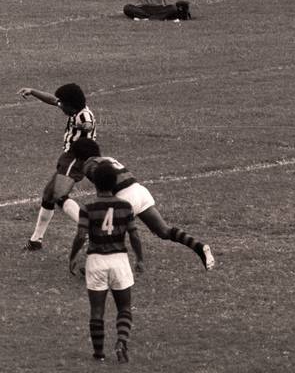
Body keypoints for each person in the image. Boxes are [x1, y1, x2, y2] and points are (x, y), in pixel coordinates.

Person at [65, 138, 216, 272]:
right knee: (164, 231)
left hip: (125, 196)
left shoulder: (89, 165)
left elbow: (104, 186)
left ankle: (96, 265)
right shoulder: (109, 159)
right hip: (140, 191)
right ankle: (199, 247)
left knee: (103, 230)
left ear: (80, 156)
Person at [68, 160, 143, 364]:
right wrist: (140, 258)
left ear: (95, 183)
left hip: (96, 261)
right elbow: (134, 236)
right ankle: (121, 341)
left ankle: (99, 354)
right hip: (119, 260)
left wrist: (73, 256)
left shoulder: (88, 208)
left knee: (97, 311)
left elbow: (81, 235)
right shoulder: (125, 207)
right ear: (114, 182)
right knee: (124, 308)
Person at [17, 83, 96, 251]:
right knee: (48, 195)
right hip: (68, 157)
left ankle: (89, 228)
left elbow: (88, 124)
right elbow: (53, 100)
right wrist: (32, 91)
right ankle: (36, 241)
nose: (61, 107)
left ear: (72, 104)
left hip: (76, 159)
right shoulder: (73, 108)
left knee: (59, 195)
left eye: (64, 104)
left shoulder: (84, 115)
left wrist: (84, 127)